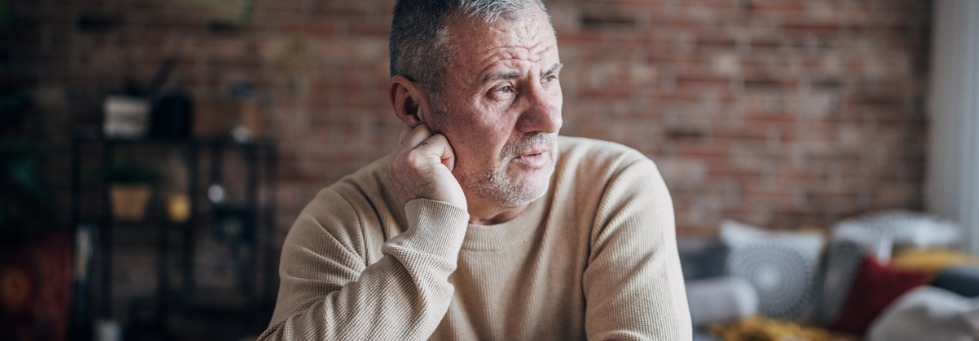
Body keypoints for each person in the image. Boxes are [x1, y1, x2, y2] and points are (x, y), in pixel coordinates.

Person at [258, 0, 692, 339]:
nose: (550, 119)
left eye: (551, 78)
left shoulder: (617, 188)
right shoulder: (343, 221)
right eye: (503, 89)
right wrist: (433, 233)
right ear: (412, 105)